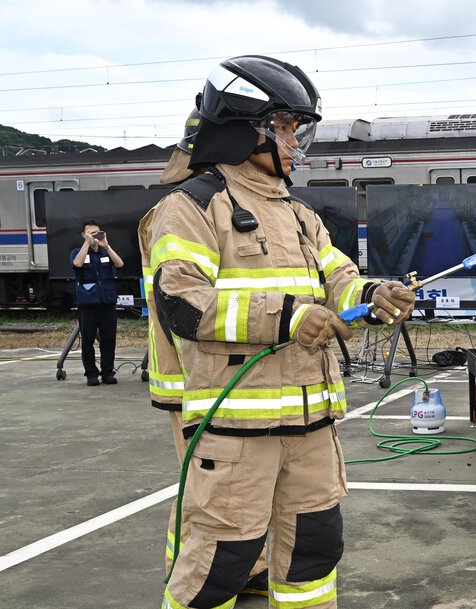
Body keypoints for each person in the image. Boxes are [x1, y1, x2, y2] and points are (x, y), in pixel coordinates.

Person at [146, 56, 414, 609]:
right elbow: (181, 301)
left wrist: (373, 296)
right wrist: (287, 315)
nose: (296, 143)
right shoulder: (191, 207)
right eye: (286, 128)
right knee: (220, 565)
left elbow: (339, 278)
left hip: (312, 424)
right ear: (245, 130)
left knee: (314, 551)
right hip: (237, 428)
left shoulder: (298, 213)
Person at [142, 108, 272, 597]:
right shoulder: (185, 210)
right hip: (193, 377)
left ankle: (248, 569)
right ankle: (186, 575)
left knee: (228, 493)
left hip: (210, 376)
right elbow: (190, 303)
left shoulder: (201, 204)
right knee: (206, 494)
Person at [70, 220, 123, 385]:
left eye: (97, 232)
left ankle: (107, 372)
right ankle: (91, 374)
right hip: (88, 303)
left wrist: (106, 245)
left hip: (107, 302)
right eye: (90, 233)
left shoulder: (105, 252)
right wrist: (87, 243)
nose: (94, 235)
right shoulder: (77, 252)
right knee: (88, 340)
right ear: (83, 235)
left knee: (109, 339)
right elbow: (77, 264)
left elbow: (120, 264)